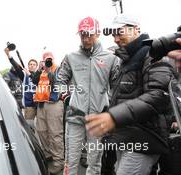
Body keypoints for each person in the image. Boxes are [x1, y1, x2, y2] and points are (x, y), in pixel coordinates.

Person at [85, 14, 175, 175]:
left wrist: (113, 117)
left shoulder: (154, 54)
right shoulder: (126, 60)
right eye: (113, 34)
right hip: (128, 136)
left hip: (145, 138)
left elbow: (157, 97)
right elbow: (123, 97)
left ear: (137, 30)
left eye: (119, 32)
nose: (116, 38)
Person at [56, 16, 120, 175]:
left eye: (89, 34)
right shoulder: (71, 57)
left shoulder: (111, 58)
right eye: (82, 34)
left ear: (98, 33)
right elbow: (59, 80)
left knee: (94, 161)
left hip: (98, 119)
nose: (85, 38)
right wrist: (67, 98)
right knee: (71, 160)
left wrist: (110, 108)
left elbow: (117, 86)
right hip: (75, 117)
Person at [31, 52, 64, 174]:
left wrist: (49, 69)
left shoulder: (58, 69)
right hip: (41, 104)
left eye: (49, 59)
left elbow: (57, 83)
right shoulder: (42, 70)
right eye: (45, 60)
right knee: (41, 131)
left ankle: (58, 161)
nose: (47, 61)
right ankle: (48, 154)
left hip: (54, 104)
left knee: (55, 133)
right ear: (42, 60)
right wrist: (40, 69)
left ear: (53, 59)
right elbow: (34, 81)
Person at [4, 48, 38, 120]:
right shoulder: (24, 75)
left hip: (40, 105)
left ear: (36, 66)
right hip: (29, 106)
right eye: (30, 64)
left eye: (34, 64)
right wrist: (8, 55)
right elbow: (16, 66)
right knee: (30, 126)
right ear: (28, 66)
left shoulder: (40, 75)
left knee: (41, 127)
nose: (32, 65)